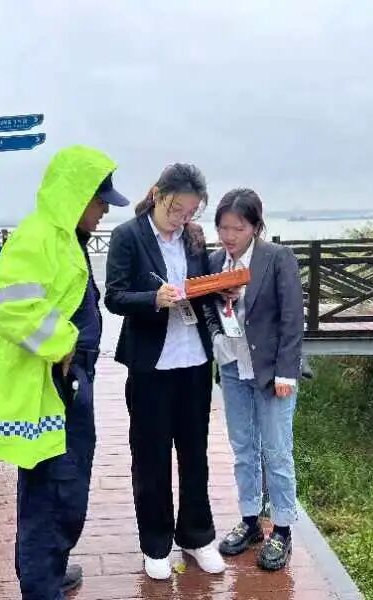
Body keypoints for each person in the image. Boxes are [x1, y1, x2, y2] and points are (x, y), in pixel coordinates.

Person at [0, 145, 130, 599]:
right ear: (76, 196)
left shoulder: (63, 236)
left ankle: (48, 572)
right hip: (52, 386)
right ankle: (42, 587)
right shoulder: (40, 236)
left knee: (57, 489)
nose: (104, 211)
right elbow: (4, 305)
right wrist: (63, 343)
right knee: (54, 494)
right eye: (99, 201)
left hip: (68, 383)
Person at [104, 163, 226, 580]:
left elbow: (202, 287)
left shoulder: (193, 237)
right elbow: (115, 297)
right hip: (151, 365)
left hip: (195, 362)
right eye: (176, 210)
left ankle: (197, 536)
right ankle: (155, 544)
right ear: (157, 194)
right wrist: (153, 299)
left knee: (195, 455)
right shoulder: (128, 236)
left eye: (190, 212)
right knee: (151, 457)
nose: (182, 219)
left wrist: (220, 289)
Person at [209, 188, 303, 571]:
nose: (229, 236)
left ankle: (282, 528)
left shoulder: (277, 258)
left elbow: (292, 319)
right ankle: (250, 521)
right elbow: (208, 309)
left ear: (255, 227)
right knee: (243, 448)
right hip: (233, 368)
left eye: (239, 228)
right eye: (223, 228)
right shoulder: (215, 261)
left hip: (270, 372)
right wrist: (217, 336)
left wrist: (286, 372)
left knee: (277, 451)